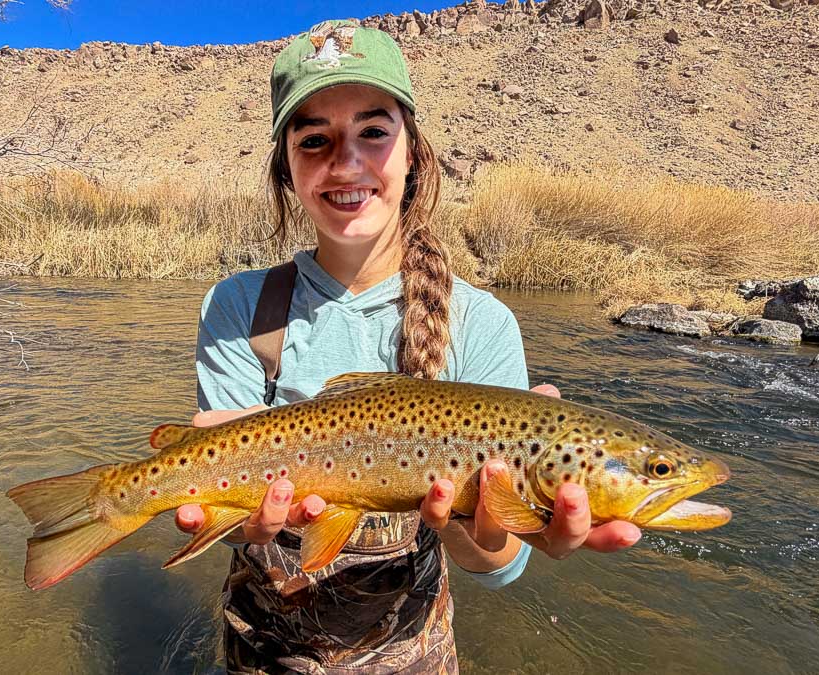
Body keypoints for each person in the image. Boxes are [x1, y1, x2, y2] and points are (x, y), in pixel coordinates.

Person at [176, 19, 642, 673]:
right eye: (314, 140)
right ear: (286, 168)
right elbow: (219, 501)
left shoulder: (481, 324)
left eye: (373, 131)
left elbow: (498, 564)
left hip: (411, 654)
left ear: (413, 153)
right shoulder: (239, 309)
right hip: (265, 652)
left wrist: (465, 516)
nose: (346, 162)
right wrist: (224, 501)